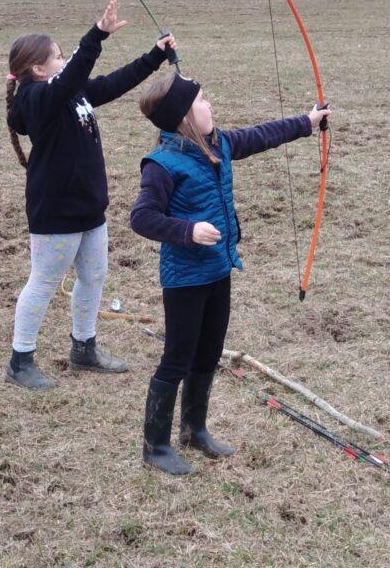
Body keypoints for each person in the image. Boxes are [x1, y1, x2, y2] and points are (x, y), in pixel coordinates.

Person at [130, 66, 329, 474]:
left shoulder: (217, 143)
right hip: (185, 278)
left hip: (219, 269)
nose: (210, 103)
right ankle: (155, 445)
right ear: (184, 115)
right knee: (177, 357)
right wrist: (187, 230)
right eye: (202, 99)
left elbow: (260, 135)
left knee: (210, 351)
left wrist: (306, 123)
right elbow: (142, 218)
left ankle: (194, 429)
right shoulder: (162, 164)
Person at [5, 0, 177, 390]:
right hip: (56, 211)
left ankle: (84, 348)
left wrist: (155, 55)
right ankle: (20, 360)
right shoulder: (36, 99)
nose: (65, 62)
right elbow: (73, 77)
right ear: (37, 68)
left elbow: (112, 83)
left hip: (89, 208)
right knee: (44, 282)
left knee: (93, 276)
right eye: (59, 57)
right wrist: (96, 35)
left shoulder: (69, 92)